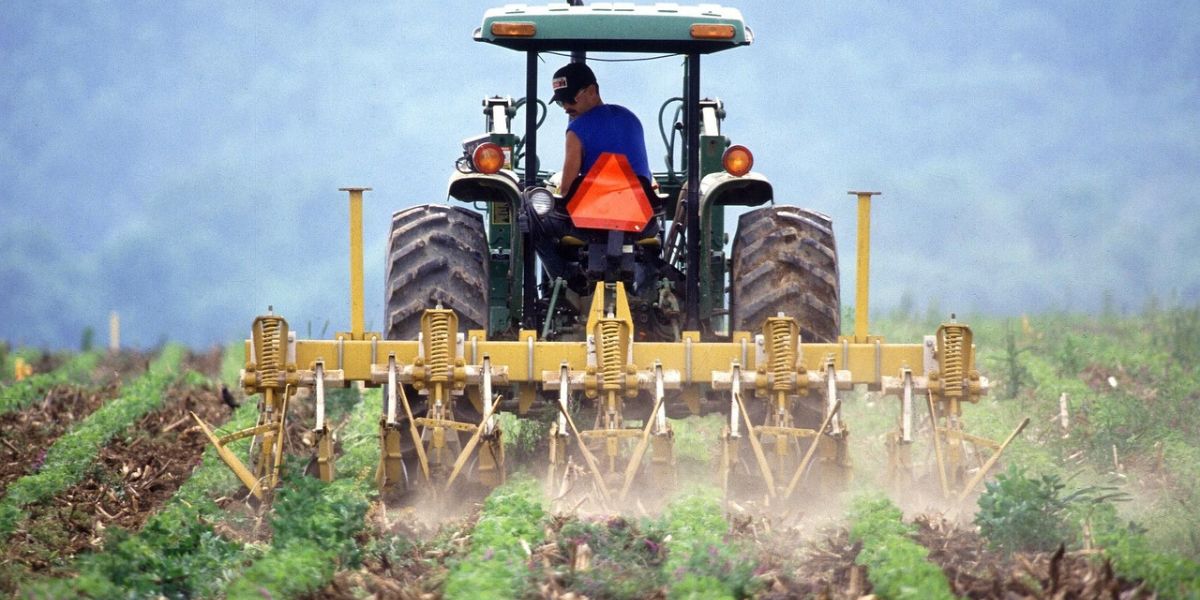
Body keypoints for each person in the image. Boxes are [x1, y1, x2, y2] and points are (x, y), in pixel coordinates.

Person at [524, 62, 653, 289]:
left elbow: (565, 190)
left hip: (591, 226)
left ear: (592, 91)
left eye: (570, 99)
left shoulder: (577, 130)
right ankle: (648, 287)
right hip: (641, 222)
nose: (565, 107)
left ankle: (567, 281)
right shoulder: (632, 119)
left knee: (531, 217)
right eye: (561, 101)